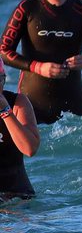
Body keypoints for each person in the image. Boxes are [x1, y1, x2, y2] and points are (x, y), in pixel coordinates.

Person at [0, 64, 41, 200]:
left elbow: (30, 149)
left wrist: (6, 112)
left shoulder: (17, 103)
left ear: (4, 80)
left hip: (17, 195)